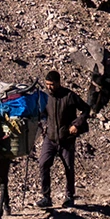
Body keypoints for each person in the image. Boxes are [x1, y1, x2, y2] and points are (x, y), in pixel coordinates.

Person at [37, 70, 89, 208]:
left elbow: (86, 109)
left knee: (68, 167)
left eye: (52, 84)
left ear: (59, 83)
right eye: (47, 84)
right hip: (50, 138)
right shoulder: (44, 97)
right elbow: (41, 114)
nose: (49, 87)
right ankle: (46, 197)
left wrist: (76, 124)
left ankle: (69, 197)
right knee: (43, 163)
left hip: (67, 139)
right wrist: (44, 125)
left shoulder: (70, 96)